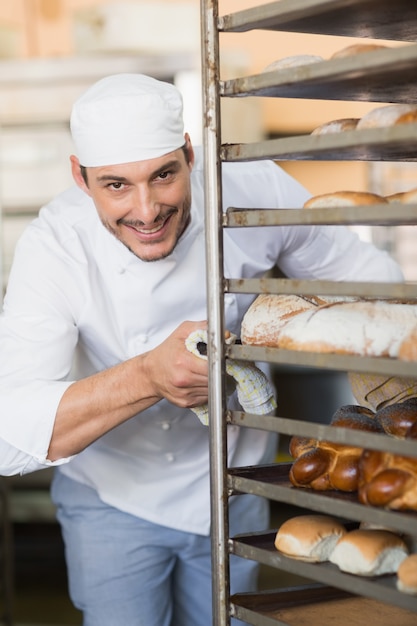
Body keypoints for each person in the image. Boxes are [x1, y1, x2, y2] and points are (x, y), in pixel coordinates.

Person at [0, 74, 403, 626]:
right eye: (116, 186)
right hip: (113, 497)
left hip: (235, 486)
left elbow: (366, 283)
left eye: (163, 175)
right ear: (80, 176)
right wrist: (147, 376)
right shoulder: (54, 247)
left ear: (190, 154)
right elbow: (9, 436)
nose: (146, 211)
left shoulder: (254, 190)